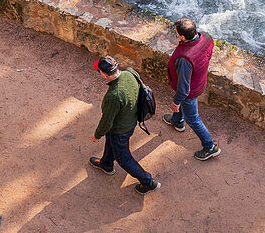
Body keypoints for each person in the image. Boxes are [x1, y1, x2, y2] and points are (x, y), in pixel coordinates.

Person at [90, 55, 161, 194]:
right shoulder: (130, 72)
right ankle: (106, 164)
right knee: (111, 141)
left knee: (123, 157)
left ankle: (148, 182)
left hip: (120, 129)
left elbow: (107, 121)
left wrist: (97, 135)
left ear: (103, 74)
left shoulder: (114, 95)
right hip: (130, 120)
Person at [163, 18, 221, 160]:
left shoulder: (184, 59)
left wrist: (175, 102)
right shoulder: (206, 38)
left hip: (190, 91)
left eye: (176, 32)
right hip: (199, 82)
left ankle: (210, 146)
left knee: (193, 119)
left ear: (182, 37)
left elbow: (183, 89)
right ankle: (177, 122)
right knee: (185, 109)